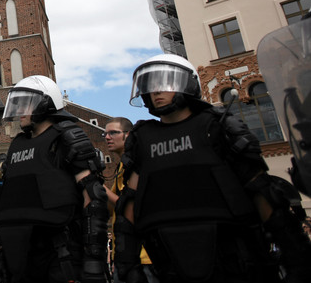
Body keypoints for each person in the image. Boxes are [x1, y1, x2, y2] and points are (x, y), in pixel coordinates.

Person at [115, 53, 311, 283]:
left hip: (232, 255)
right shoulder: (142, 139)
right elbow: (129, 204)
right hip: (169, 258)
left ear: (186, 84)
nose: (155, 91)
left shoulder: (218, 126)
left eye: (164, 83)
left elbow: (261, 191)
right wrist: (127, 265)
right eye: (149, 86)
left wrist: (295, 256)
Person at [0, 74, 108, 283]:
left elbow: (93, 197)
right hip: (24, 251)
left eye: (26, 104)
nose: (20, 111)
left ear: (44, 104)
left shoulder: (67, 137)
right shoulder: (17, 145)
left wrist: (93, 259)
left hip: (60, 249)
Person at [103, 117, 156, 283]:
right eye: (105, 134)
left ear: (128, 135)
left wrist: (101, 188)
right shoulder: (120, 167)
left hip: (143, 256)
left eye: (113, 133)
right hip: (124, 255)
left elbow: (128, 205)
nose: (107, 137)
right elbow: (112, 210)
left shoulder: (136, 164)